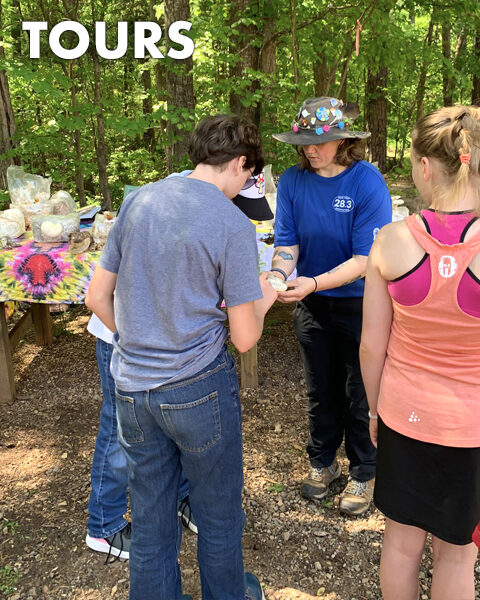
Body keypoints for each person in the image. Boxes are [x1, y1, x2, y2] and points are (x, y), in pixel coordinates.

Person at [86, 114, 277, 600]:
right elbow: (245, 337)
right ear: (240, 163)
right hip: (197, 387)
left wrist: (133, 339)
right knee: (217, 516)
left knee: (150, 519)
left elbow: (96, 297)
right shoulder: (232, 224)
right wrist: (267, 294)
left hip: (132, 386)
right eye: (246, 175)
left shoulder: (138, 201)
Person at [360, 105, 480, 599]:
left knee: (402, 543)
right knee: (457, 553)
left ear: (427, 167)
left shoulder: (390, 242)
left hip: (403, 414)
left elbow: (371, 346)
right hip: (470, 426)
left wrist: (372, 409)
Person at [270, 96, 391, 516]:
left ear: (343, 141)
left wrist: (314, 282)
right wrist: (278, 276)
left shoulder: (366, 182)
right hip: (312, 305)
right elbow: (286, 243)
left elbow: (365, 259)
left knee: (360, 392)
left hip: (362, 305)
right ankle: (323, 462)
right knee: (320, 391)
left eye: (319, 142)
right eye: (303, 142)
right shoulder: (291, 181)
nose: (310, 149)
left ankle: (364, 470)